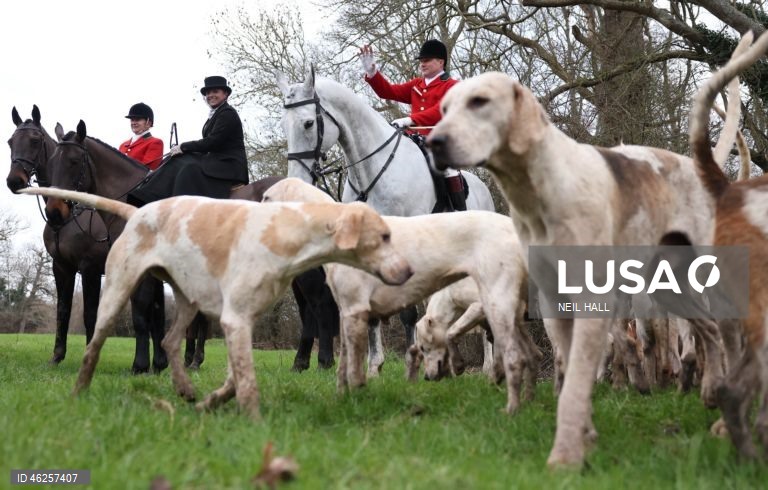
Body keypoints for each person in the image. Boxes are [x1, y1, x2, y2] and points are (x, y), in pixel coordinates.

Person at [359, 39, 466, 211]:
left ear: (440, 62)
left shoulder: (453, 86)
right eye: (421, 61)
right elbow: (388, 91)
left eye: (427, 60)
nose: (422, 64)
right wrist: (372, 72)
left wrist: (412, 119)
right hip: (415, 140)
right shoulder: (416, 84)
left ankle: (459, 213)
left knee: (447, 169)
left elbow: (441, 110)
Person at [128, 76, 248, 206]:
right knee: (176, 159)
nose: (210, 95)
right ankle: (149, 195)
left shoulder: (227, 113)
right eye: (208, 93)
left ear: (225, 94)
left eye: (215, 92)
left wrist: (184, 147)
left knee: (187, 166)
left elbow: (212, 142)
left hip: (228, 164)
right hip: (215, 160)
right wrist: (183, 150)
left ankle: (176, 205)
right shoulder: (216, 114)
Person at [119, 102, 164, 170]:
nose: (133, 123)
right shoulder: (123, 145)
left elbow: (147, 171)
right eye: (132, 120)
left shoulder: (155, 142)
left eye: (137, 119)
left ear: (148, 123)